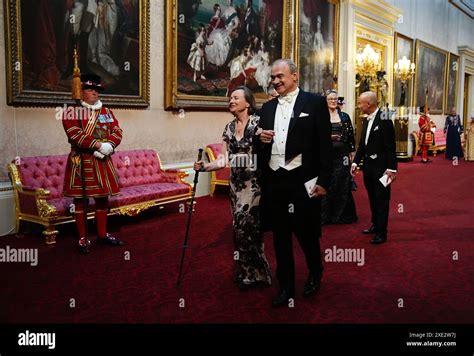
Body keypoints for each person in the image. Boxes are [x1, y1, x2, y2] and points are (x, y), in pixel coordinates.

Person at [257, 59, 332, 307]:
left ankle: (315, 272)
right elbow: (258, 147)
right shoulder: (266, 109)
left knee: (306, 233)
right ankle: (286, 287)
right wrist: (261, 139)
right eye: (273, 77)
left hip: (302, 180)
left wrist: (324, 180)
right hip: (275, 181)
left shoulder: (315, 102)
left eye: (280, 76)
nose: (276, 81)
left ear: (295, 76)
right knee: (280, 237)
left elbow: (325, 145)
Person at [194, 86, 272, 290]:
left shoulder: (257, 124)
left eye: (236, 97)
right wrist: (204, 167)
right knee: (241, 230)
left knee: (244, 225)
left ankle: (255, 273)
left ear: (247, 103)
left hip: (253, 184)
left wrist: (260, 142)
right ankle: (250, 272)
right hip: (235, 185)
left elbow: (258, 158)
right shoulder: (228, 128)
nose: (231, 100)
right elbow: (223, 160)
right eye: (230, 98)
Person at [62, 74, 124, 253]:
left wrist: (110, 145)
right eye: (90, 89)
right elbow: (75, 135)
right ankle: (82, 238)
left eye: (97, 90)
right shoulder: (71, 112)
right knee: (80, 201)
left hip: (102, 159)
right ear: (80, 91)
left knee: (102, 198)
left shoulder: (106, 111)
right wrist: (98, 145)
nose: (95, 93)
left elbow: (117, 130)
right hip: (82, 160)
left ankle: (102, 235)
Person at [351, 91, 397, 245]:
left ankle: (382, 233)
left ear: (368, 104)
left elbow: (391, 147)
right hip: (369, 169)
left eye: (360, 103)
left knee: (382, 200)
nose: (358, 106)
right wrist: (355, 162)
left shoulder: (384, 119)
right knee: (372, 197)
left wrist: (392, 169)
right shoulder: (365, 120)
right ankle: (375, 225)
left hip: (383, 170)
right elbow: (362, 146)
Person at [321, 90, 357, 225]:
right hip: (326, 155)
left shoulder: (345, 116)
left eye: (335, 99)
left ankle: (340, 215)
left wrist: (352, 153)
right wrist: (327, 138)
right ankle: (325, 216)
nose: (333, 101)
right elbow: (315, 136)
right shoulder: (321, 116)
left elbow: (351, 137)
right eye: (330, 99)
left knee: (342, 182)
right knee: (328, 182)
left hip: (343, 155)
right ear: (325, 100)